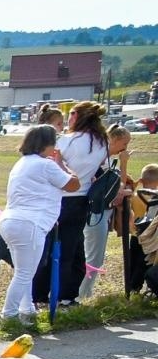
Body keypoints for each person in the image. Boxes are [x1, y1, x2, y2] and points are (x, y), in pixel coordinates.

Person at [0, 125, 79, 322]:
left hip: (11, 220)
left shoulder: (22, 162)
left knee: (23, 271)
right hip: (30, 224)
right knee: (25, 273)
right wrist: (62, 164)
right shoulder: (46, 165)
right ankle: (9, 315)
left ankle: (27, 310)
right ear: (47, 144)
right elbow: (74, 184)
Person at [32, 100, 109, 309]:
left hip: (59, 197)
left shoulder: (67, 141)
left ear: (79, 116)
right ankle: (67, 295)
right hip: (82, 199)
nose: (69, 118)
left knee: (50, 249)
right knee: (73, 249)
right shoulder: (102, 143)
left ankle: (39, 294)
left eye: (73, 114)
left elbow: (49, 163)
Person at [79, 124, 131, 299]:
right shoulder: (103, 160)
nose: (126, 148)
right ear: (115, 140)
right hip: (96, 213)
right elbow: (120, 186)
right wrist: (123, 164)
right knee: (93, 257)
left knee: (93, 255)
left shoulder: (104, 158)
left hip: (100, 213)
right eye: (125, 143)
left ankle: (83, 292)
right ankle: (82, 294)